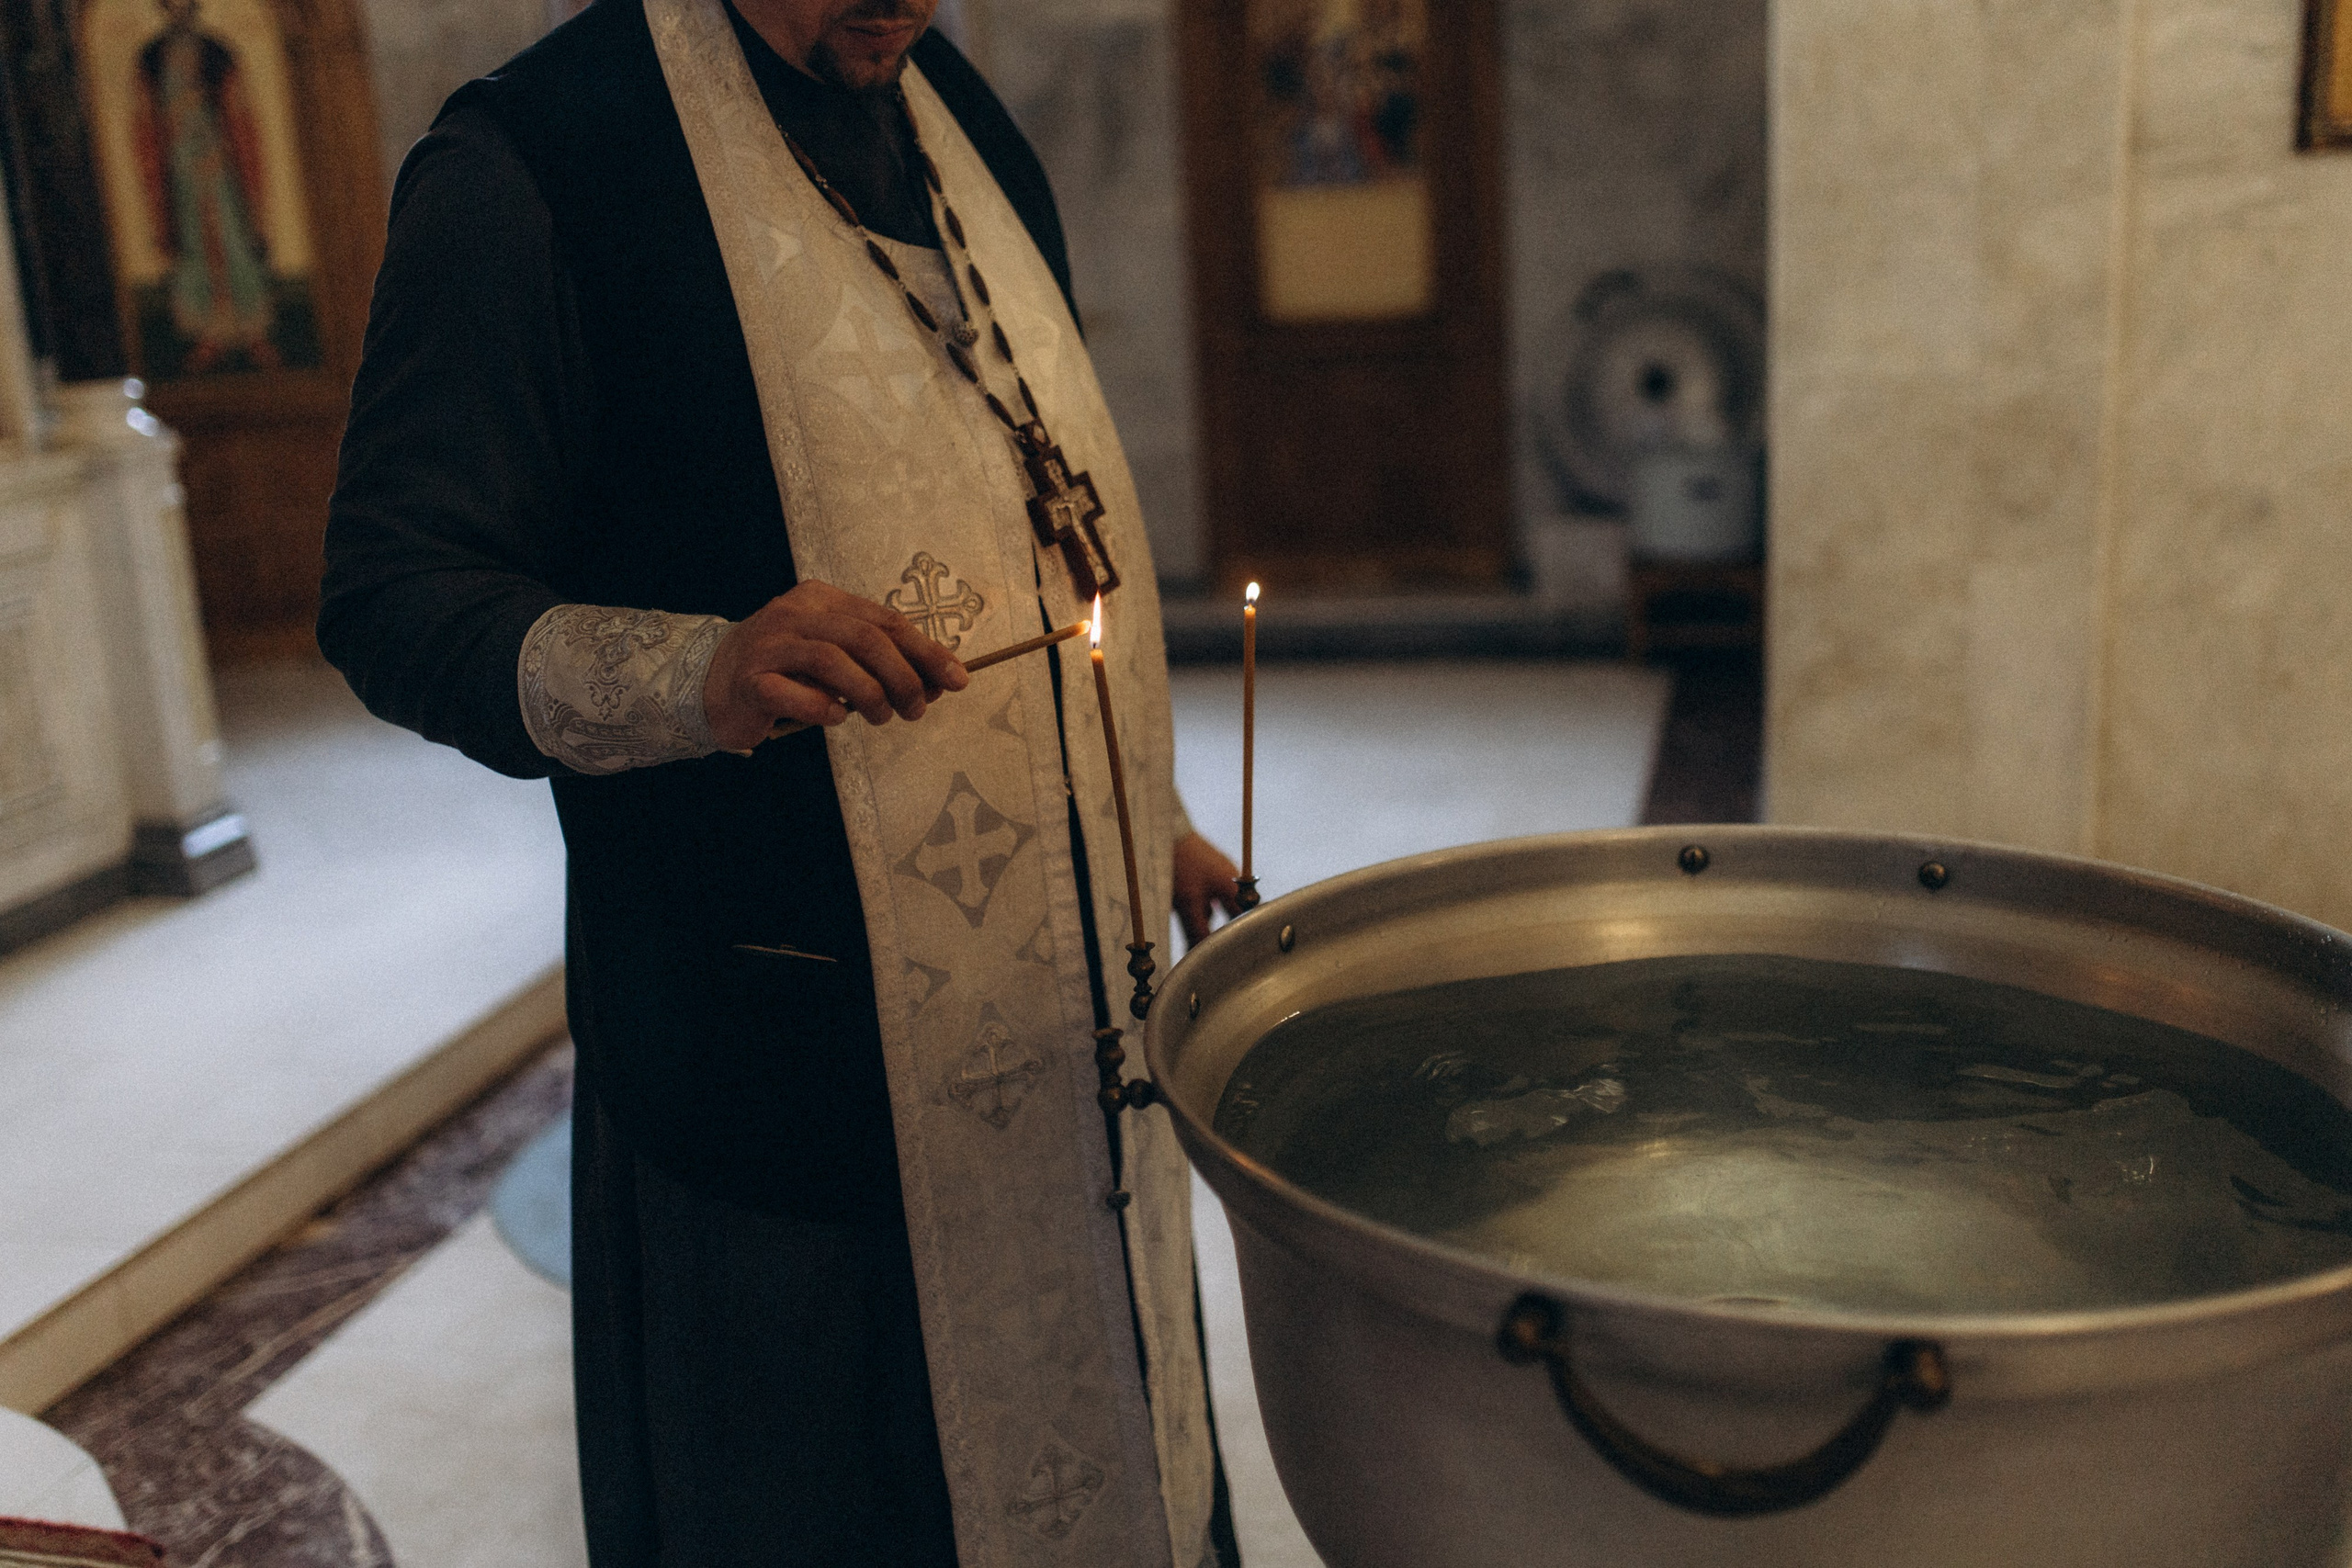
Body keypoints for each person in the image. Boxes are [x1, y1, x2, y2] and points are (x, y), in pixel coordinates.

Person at [316, 0, 1246, 1562]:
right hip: (786, 1095)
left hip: (1064, 1049)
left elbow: (1022, 518)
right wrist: (699, 671)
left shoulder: (955, 114)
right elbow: (392, 594)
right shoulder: (533, 166)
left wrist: (1138, 818)